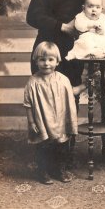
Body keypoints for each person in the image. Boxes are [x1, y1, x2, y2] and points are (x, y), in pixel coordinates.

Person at [23, 42, 82, 185]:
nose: (46, 63)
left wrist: (86, 84)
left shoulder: (62, 79)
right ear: (36, 61)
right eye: (42, 59)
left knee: (61, 147)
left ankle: (59, 169)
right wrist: (31, 122)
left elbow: (73, 92)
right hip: (42, 121)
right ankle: (42, 171)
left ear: (57, 61)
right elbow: (28, 104)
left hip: (60, 121)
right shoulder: (33, 82)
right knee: (44, 147)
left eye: (50, 59)